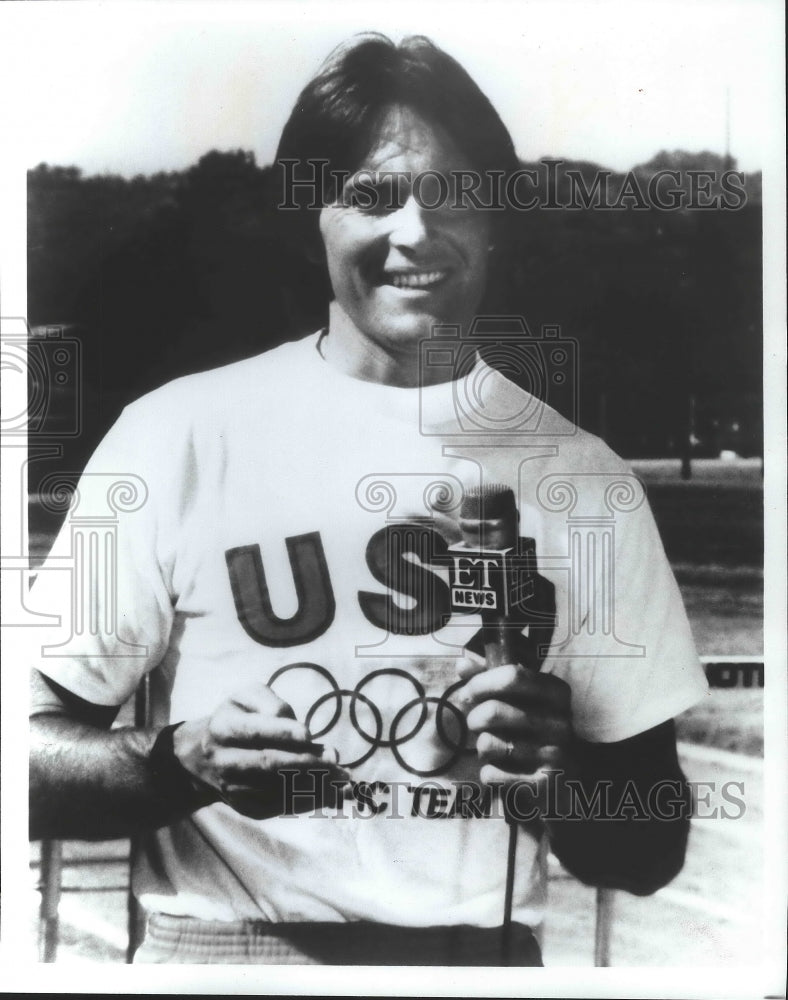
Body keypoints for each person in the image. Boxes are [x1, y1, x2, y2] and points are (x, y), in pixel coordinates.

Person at [29, 34, 708, 966]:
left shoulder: (583, 478)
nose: (416, 233)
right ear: (313, 217)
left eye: (453, 195)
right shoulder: (176, 435)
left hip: (474, 961)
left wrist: (564, 778)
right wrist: (177, 763)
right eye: (372, 196)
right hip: (223, 955)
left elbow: (650, 847)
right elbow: (25, 760)